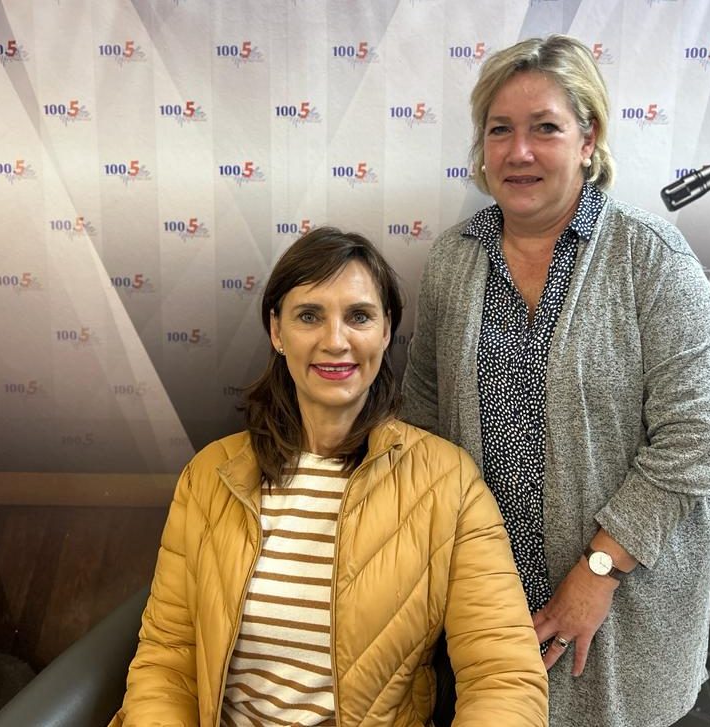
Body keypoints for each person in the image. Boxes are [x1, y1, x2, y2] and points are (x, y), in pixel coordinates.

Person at [401, 35, 710, 727]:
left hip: (620, 612)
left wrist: (599, 570)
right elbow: (422, 417)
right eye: (500, 129)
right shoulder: (451, 262)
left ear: (589, 139)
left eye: (545, 128)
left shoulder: (651, 259)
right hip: (482, 608)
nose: (518, 151)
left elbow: (699, 434)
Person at [110, 227, 547, 726]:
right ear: (277, 331)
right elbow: (168, 659)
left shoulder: (448, 483)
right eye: (309, 316)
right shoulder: (210, 476)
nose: (335, 341)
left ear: (386, 331)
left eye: (359, 316)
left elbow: (503, 676)